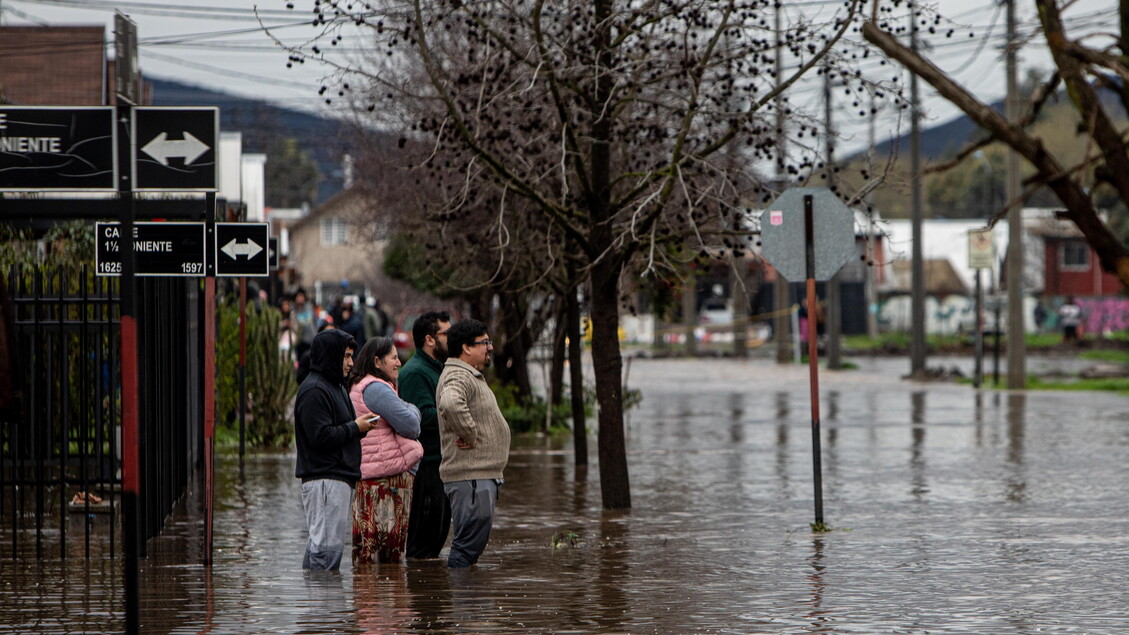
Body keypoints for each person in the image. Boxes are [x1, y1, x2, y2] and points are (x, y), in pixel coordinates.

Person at [294, 329, 377, 571]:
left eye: (352, 356)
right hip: (324, 479)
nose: (351, 363)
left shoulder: (336, 386)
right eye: (346, 356)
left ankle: (324, 604)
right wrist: (355, 427)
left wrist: (360, 428)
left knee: (325, 550)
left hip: (336, 478)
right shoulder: (315, 390)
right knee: (325, 552)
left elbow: (335, 429)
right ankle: (324, 607)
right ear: (331, 356)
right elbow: (319, 436)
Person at [436, 318, 511, 568]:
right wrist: (469, 433)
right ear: (467, 348)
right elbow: (449, 402)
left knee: (469, 548)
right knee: (466, 549)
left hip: (477, 477)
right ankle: (464, 603)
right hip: (471, 477)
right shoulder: (458, 375)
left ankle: (469, 600)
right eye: (485, 343)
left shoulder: (468, 374)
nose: (490, 347)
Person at [348, 336, 423, 564]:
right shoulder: (377, 389)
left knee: (367, 554)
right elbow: (412, 425)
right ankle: (382, 598)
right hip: (384, 483)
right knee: (387, 555)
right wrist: (412, 408)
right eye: (393, 357)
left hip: (372, 479)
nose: (399, 362)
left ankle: (368, 598)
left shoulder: (360, 386)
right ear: (377, 362)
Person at [400, 311, 453, 560]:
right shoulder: (415, 372)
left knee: (436, 542)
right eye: (446, 333)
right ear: (430, 339)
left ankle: (433, 594)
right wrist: (457, 414)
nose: (451, 338)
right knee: (422, 548)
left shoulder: (436, 368)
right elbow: (420, 417)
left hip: (440, 464)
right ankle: (420, 597)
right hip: (426, 468)